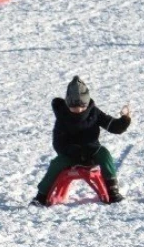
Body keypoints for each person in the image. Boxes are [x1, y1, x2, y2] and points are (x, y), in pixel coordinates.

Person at [32, 77, 132, 206]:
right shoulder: (62, 116)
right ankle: (41, 196)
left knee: (105, 154)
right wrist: (68, 150)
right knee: (56, 164)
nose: (78, 110)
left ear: (86, 103)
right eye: (74, 107)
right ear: (68, 104)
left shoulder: (94, 112)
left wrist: (125, 118)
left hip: (92, 151)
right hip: (70, 154)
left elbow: (112, 126)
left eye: (81, 107)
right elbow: (58, 142)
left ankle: (113, 192)